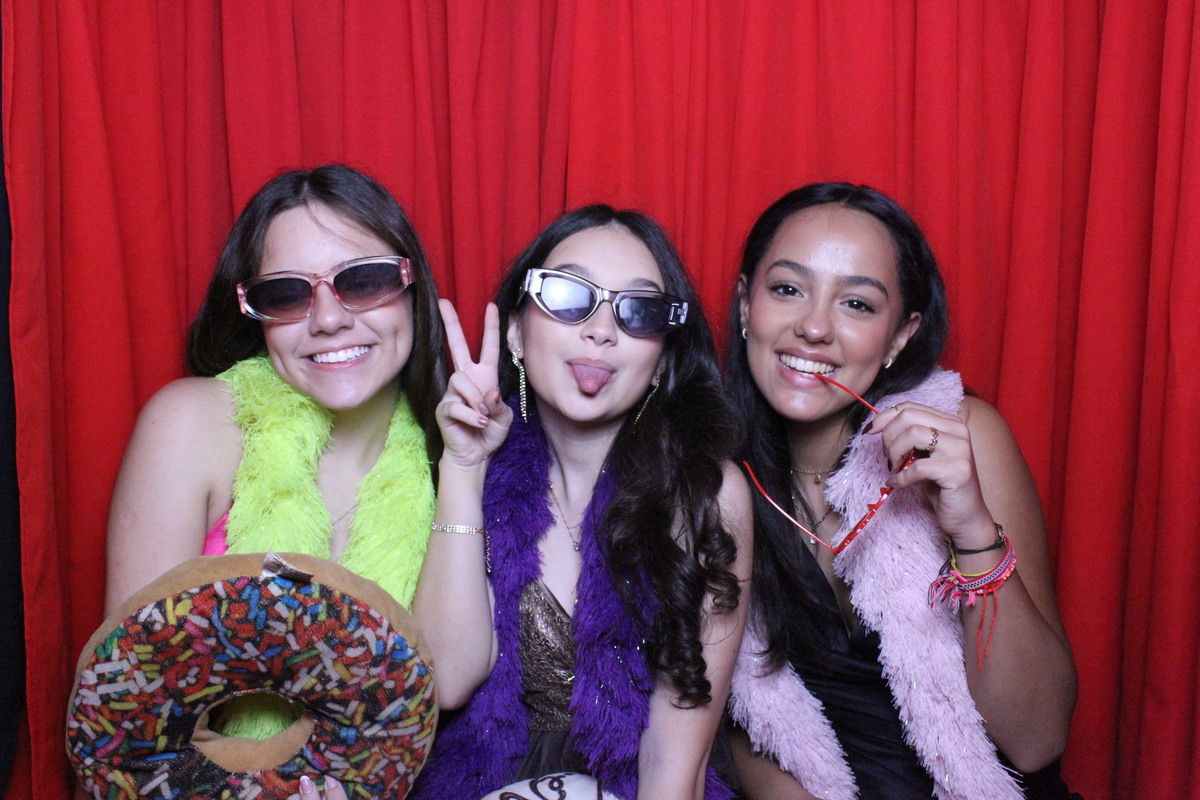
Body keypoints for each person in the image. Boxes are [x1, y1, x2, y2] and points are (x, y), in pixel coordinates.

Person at [724, 183, 1079, 800]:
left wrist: (972, 530)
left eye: (857, 303)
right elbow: (714, 711)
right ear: (744, 304)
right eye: (787, 289)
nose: (813, 326)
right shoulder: (703, 471)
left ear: (899, 336)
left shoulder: (964, 437)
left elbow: (1037, 738)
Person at [411, 206, 752, 800]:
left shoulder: (704, 494)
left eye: (638, 310)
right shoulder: (471, 475)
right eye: (569, 295)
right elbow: (448, 679)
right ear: (516, 333)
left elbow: (673, 765)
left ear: (662, 359)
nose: (600, 330)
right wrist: (463, 467)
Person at [103, 164, 447, 750]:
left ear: (411, 287)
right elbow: (129, 698)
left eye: (363, 280)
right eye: (286, 294)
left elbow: (449, 683)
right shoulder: (192, 423)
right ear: (252, 311)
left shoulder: (458, 455)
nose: (329, 319)